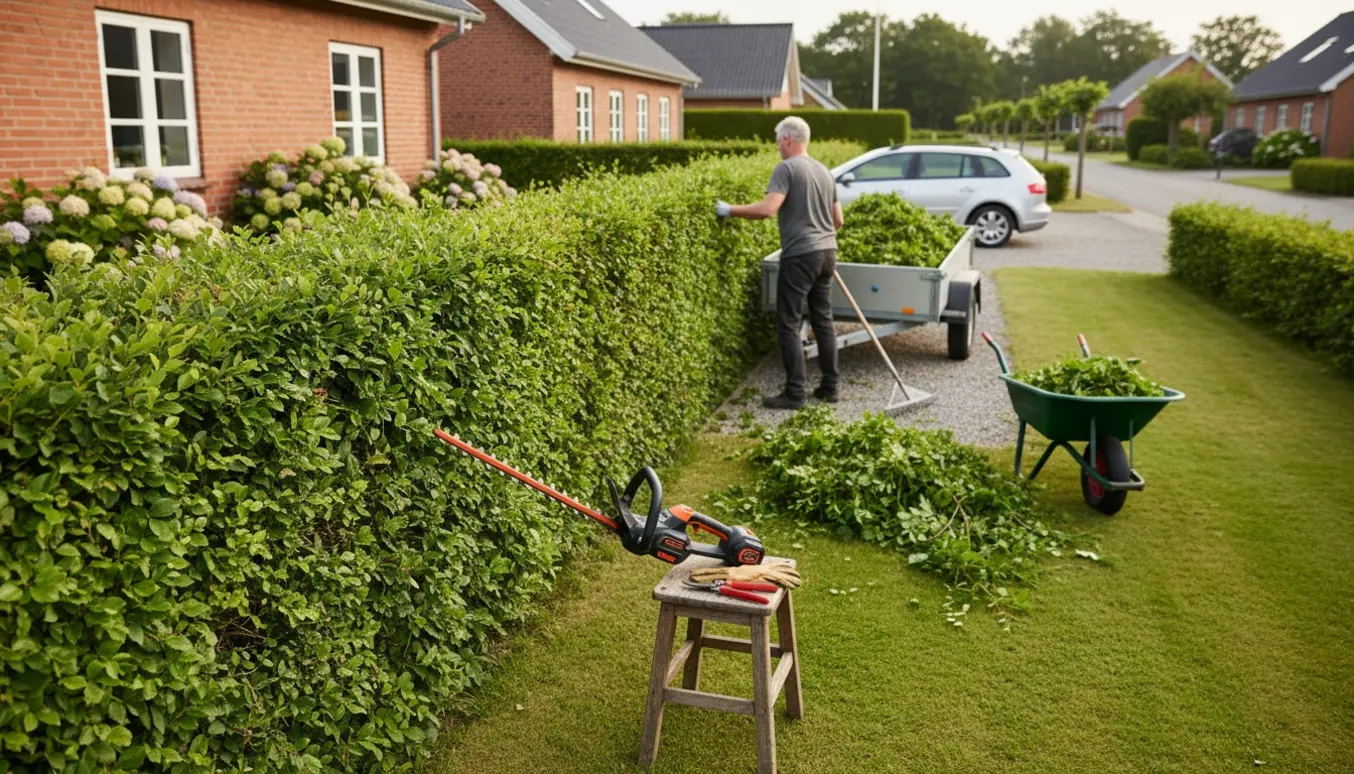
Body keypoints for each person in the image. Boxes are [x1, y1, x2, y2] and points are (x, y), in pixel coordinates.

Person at [716, 116, 843, 410]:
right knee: (823, 321)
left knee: (789, 323)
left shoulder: (786, 168)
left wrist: (729, 210)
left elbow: (768, 209)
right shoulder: (824, 171)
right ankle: (829, 388)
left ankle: (794, 394)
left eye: (777, 141)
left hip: (800, 255)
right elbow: (839, 221)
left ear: (787, 138)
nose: (777, 147)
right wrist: (819, 233)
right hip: (827, 253)